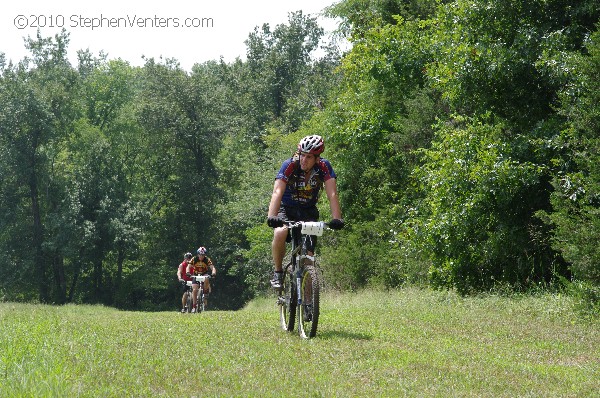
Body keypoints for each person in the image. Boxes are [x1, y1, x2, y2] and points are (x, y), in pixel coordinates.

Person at [266, 134, 344, 289]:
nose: (304, 160)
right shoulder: (289, 165)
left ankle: (309, 305)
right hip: (286, 208)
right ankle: (278, 272)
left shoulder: (324, 167)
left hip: (308, 210)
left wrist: (337, 218)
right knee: (280, 232)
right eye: (302, 155)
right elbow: (277, 192)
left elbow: (332, 193)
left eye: (309, 157)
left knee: (309, 258)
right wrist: (272, 216)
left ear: (317, 158)